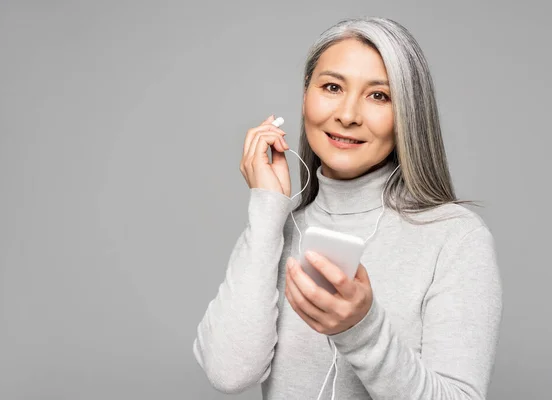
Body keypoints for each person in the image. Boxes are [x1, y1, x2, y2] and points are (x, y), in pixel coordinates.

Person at [192, 16, 503, 400]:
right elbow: (230, 374)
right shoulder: (277, 227)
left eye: (379, 95)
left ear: (409, 113)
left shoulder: (456, 237)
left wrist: (361, 329)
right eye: (332, 87)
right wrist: (267, 208)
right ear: (306, 95)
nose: (348, 115)